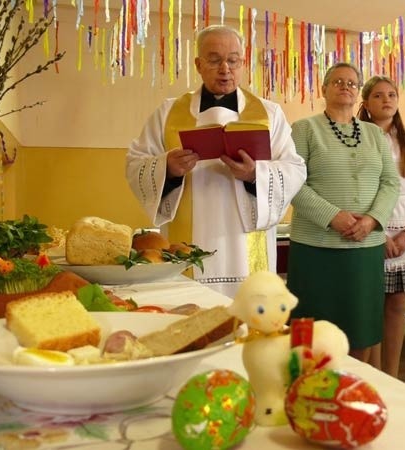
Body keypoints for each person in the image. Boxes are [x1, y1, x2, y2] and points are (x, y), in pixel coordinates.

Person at [126, 25, 306, 297]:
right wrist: (168, 169)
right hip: (188, 240)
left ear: (243, 63)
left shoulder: (270, 113)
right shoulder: (169, 112)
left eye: (233, 60)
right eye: (214, 59)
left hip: (246, 241)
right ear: (198, 64)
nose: (225, 68)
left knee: (247, 318)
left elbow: (295, 168)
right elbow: (136, 163)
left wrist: (256, 174)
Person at [286, 63, 399, 363]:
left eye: (351, 82)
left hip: (365, 250)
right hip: (315, 250)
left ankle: (352, 391)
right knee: (312, 334)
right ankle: (307, 393)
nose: (345, 86)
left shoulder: (374, 134)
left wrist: (372, 220)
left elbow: (390, 182)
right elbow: (293, 184)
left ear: (358, 92)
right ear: (323, 89)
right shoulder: (304, 129)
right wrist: (332, 216)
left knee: (360, 330)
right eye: (337, 81)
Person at [358, 75, 405, 377]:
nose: (386, 99)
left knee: (398, 304)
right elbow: (357, 189)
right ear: (365, 103)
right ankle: (372, 375)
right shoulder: (357, 135)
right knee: (369, 306)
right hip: (370, 228)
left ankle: (392, 375)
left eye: (391, 94)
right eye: (378, 95)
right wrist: (377, 232)